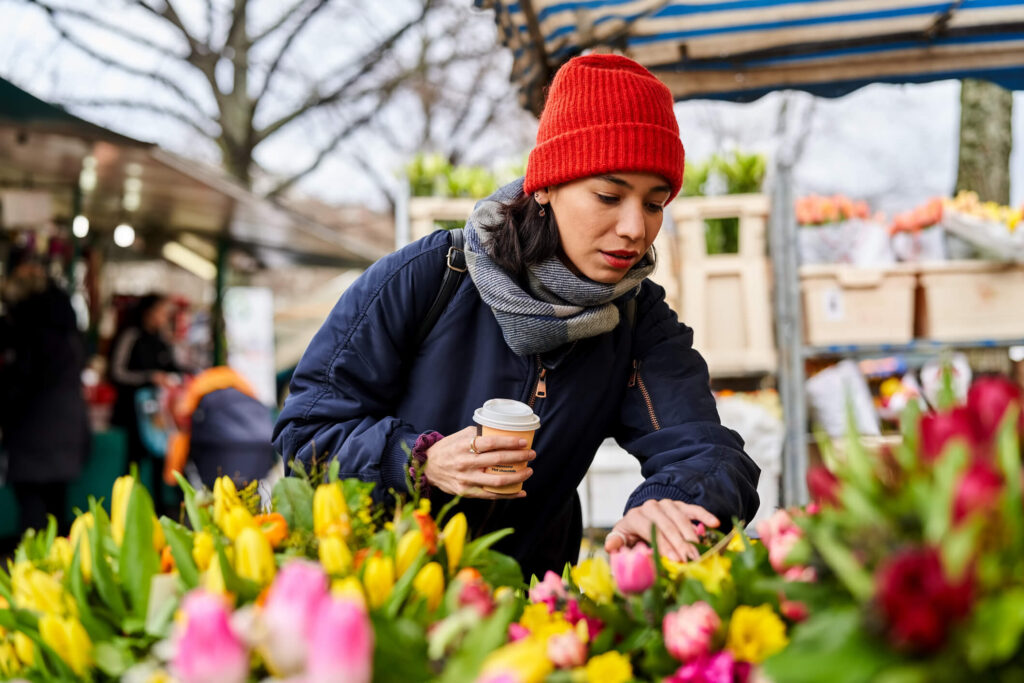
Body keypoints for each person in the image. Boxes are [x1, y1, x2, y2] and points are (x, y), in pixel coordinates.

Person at [274, 54, 760, 578]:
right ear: (546, 186)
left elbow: (702, 449)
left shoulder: (638, 319)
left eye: (654, 203)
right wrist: (417, 460)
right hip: (382, 593)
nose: (633, 229)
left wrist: (667, 503)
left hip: (527, 610)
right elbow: (307, 432)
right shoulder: (427, 278)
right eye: (608, 195)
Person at [0, 245, 88, 534]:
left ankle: (35, 573)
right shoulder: (66, 330)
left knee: (33, 512)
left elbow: (19, 385)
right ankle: (58, 574)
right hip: (67, 430)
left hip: (34, 433)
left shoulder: (27, 333)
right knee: (56, 509)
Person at [108, 293, 182, 498]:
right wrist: (150, 377)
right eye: (162, 311)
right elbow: (116, 373)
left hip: (159, 414)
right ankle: (127, 509)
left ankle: (159, 512)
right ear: (149, 312)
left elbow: (175, 367)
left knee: (160, 462)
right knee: (133, 463)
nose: (165, 316)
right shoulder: (131, 335)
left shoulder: (162, 340)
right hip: (132, 414)